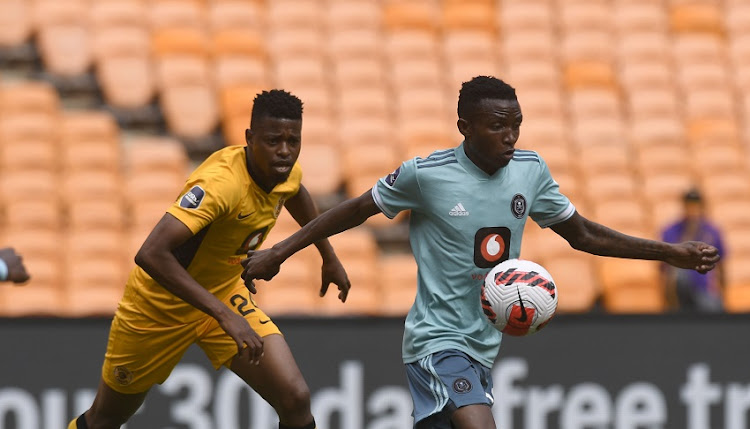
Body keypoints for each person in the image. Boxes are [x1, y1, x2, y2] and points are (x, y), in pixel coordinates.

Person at [240, 76, 721, 429]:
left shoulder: (530, 171)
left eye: (516, 125)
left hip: (483, 345)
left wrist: (669, 253)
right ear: (465, 127)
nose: (511, 137)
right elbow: (355, 209)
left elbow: (584, 236)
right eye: (497, 126)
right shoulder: (426, 174)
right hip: (437, 340)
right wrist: (281, 251)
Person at [69, 89, 350, 429]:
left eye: (294, 140)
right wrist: (223, 316)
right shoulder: (221, 186)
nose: (285, 151)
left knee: (295, 398)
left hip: (222, 292)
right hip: (159, 307)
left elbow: (296, 191)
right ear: (249, 138)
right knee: (105, 419)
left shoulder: (283, 169)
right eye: (274, 140)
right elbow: (150, 254)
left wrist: (327, 254)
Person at [661, 187, 726, 312]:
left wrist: (722, 292)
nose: (692, 210)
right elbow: (665, 269)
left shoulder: (712, 231)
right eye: (689, 205)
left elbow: (721, 264)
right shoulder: (671, 231)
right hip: (679, 293)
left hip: (705, 290)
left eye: (696, 205)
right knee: (680, 275)